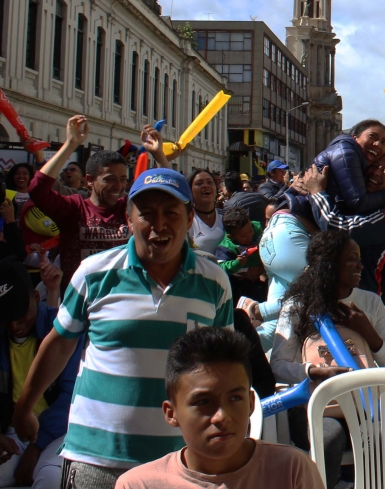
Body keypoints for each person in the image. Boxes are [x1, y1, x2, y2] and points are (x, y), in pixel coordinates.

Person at [12, 168, 234, 489]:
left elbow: (223, 366)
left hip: (178, 462)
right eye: (146, 214)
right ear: (129, 221)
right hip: (96, 460)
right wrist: (25, 407)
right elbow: (59, 343)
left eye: (171, 213)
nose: (159, 224)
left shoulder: (215, 282)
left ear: (188, 220)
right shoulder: (94, 273)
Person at [271, 230, 385, 488]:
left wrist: (369, 333)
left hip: (365, 404)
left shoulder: (370, 303)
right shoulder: (298, 306)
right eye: (352, 258)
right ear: (330, 263)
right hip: (320, 405)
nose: (361, 265)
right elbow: (277, 367)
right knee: (329, 437)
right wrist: (312, 372)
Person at [115, 327, 323, 489]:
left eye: (234, 398)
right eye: (203, 402)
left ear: (251, 403)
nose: (221, 417)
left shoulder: (290, 470)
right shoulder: (138, 485)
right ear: (171, 413)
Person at [28, 116, 169, 282]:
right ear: (89, 180)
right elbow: (37, 189)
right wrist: (70, 144)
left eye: (123, 179)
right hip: (82, 301)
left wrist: (158, 155)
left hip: (125, 298)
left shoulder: (130, 206)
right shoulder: (74, 208)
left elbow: (167, 191)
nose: (118, 186)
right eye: (109, 179)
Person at [0, 257, 83, 489]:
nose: (15, 324)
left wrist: (37, 447)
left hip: (59, 431)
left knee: (49, 479)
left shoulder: (62, 329)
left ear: (37, 297)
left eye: (20, 313)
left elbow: (71, 397)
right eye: (6, 318)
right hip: (14, 433)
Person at [293, 154, 385, 298]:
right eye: (374, 166)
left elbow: (337, 228)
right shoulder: (358, 201)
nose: (376, 172)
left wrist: (317, 192)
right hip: (331, 296)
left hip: (360, 304)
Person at [240, 205, 315, 352]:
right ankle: (255, 310)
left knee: (274, 329)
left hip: (274, 237)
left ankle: (225, 355)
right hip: (288, 234)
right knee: (320, 293)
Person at [313, 120, 385, 217]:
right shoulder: (346, 153)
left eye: (384, 142)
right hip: (301, 215)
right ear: (355, 137)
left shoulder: (362, 161)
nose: (377, 144)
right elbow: (358, 202)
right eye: (372, 136)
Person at [188, 170, 225, 254]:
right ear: (190, 191)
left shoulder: (225, 217)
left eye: (209, 182)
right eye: (199, 183)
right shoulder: (187, 220)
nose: (205, 186)